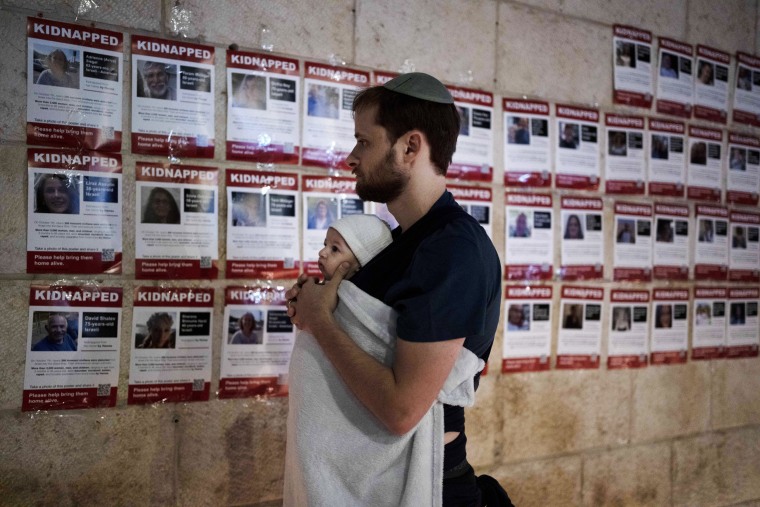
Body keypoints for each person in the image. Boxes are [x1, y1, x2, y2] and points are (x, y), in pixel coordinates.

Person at [284, 73, 507, 506]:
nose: (351, 157)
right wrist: (316, 305)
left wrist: (321, 320)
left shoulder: (452, 250)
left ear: (410, 147)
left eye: (364, 142)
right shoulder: (403, 240)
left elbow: (401, 409)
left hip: (424, 488)